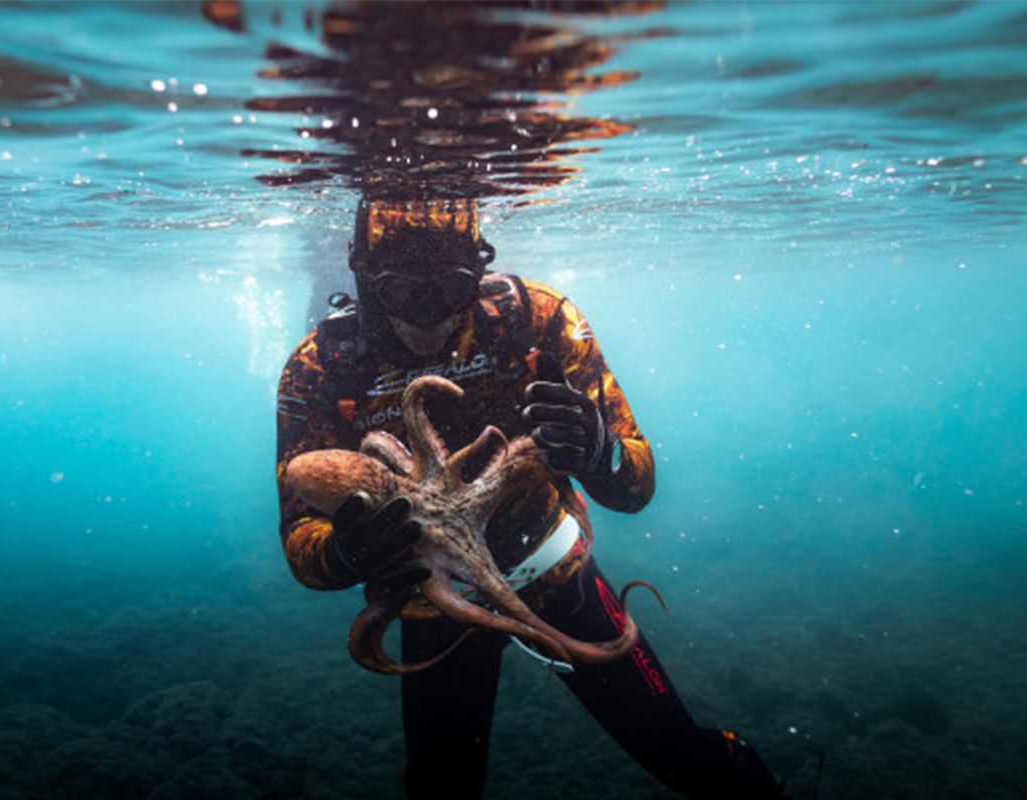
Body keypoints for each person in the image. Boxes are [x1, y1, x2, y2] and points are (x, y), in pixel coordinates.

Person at [276, 198, 786, 799]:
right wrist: (345, 554)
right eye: (399, 293)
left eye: (449, 290)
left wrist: (600, 454)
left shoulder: (535, 323)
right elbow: (300, 539)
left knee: (684, 758)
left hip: (553, 566)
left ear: (480, 274)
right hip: (433, 601)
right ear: (363, 281)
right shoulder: (323, 370)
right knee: (443, 789)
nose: (427, 317)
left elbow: (636, 485)